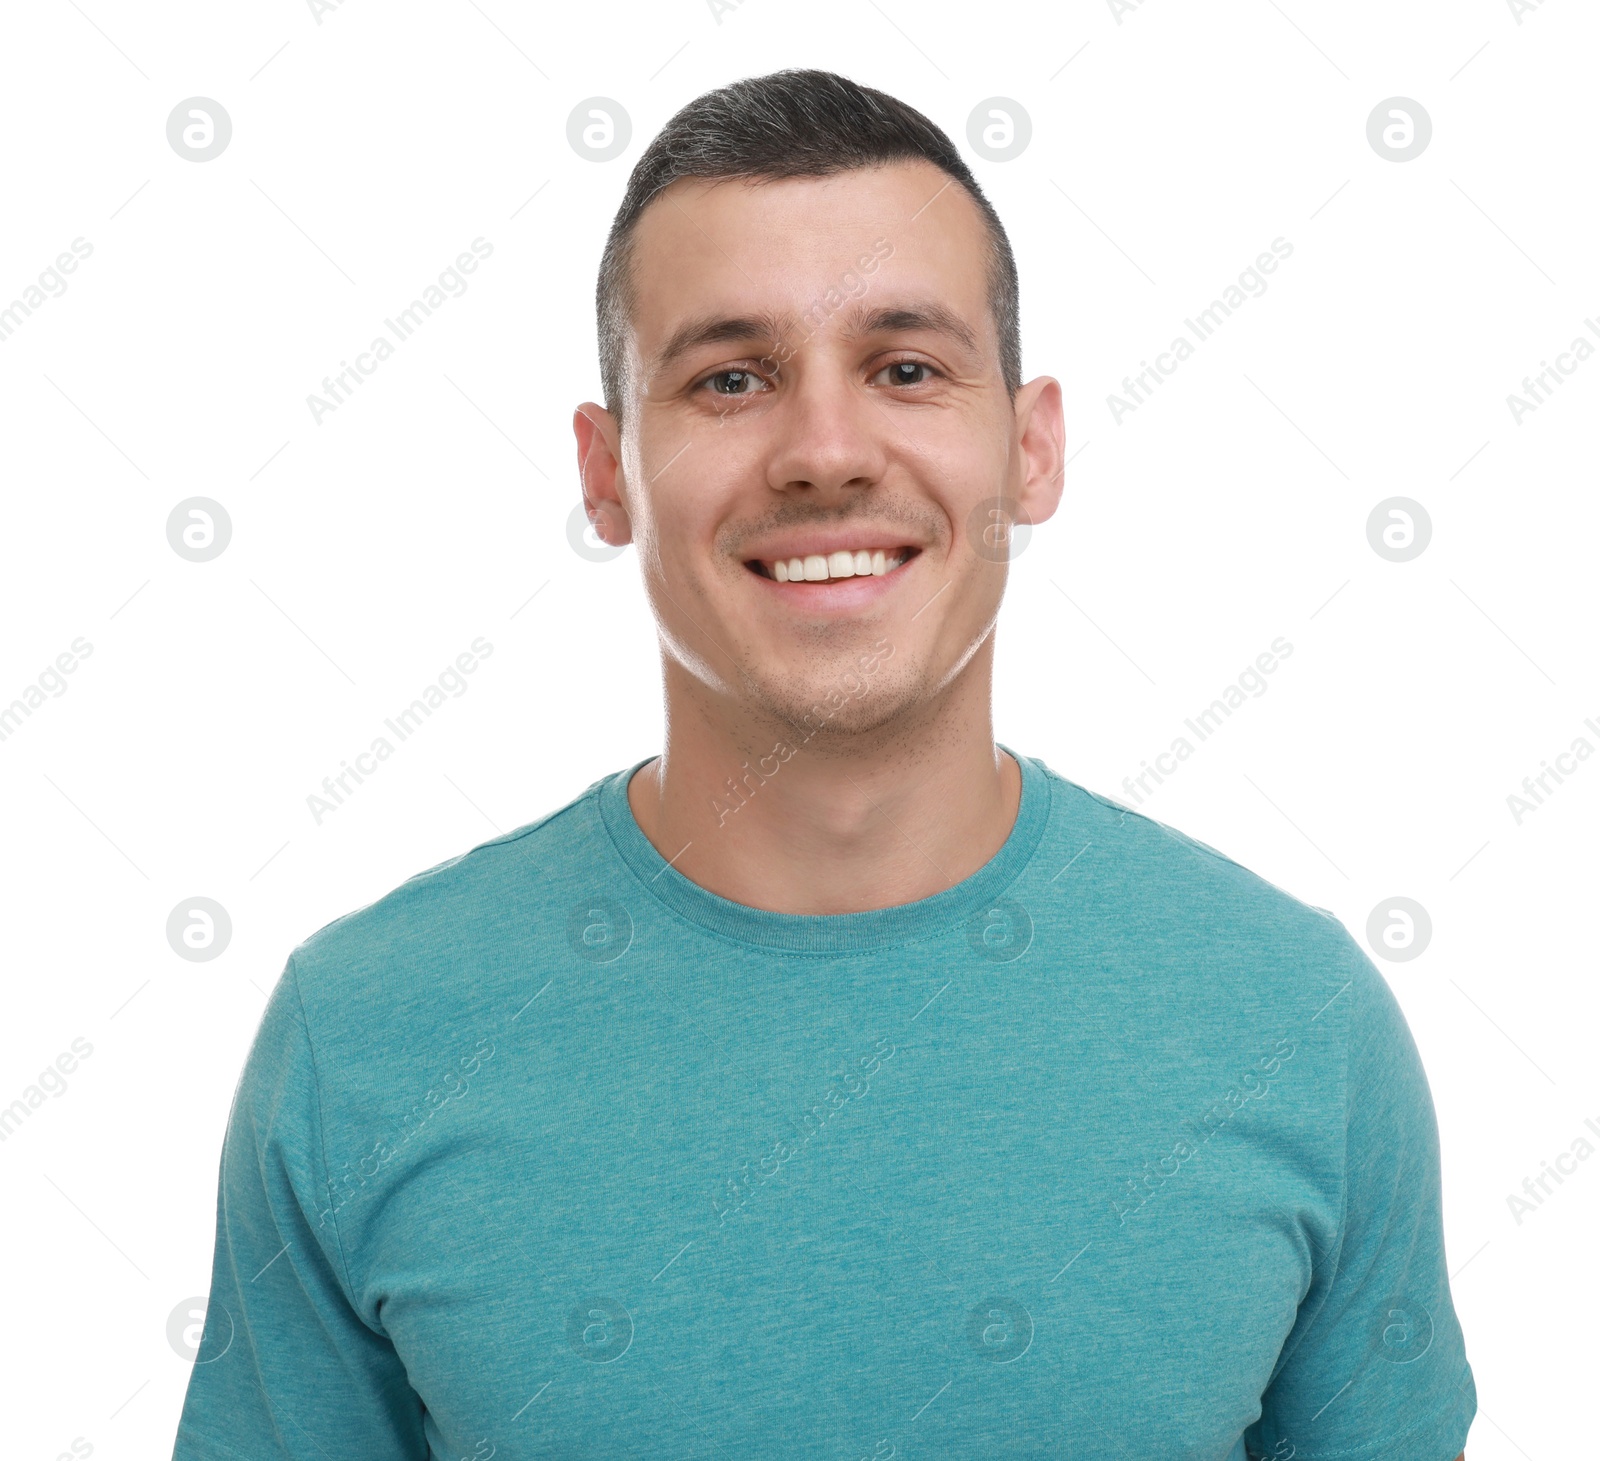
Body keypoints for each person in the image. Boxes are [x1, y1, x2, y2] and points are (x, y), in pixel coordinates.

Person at [173, 69, 1475, 1460]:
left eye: (906, 367)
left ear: (1030, 448)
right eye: (732, 378)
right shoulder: (363, 1039)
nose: (826, 452)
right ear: (607, 473)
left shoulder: (1299, 1023)